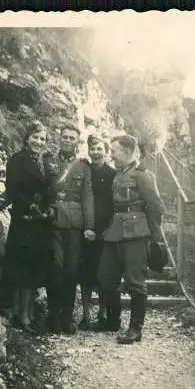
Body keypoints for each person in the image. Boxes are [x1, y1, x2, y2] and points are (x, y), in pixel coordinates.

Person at [98, 134, 166, 344]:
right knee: (105, 277)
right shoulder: (119, 174)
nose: (111, 155)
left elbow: (155, 207)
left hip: (136, 232)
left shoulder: (142, 175)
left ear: (127, 152)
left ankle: (136, 329)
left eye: (114, 151)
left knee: (135, 281)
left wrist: (155, 237)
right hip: (115, 231)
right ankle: (113, 320)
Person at [0, 120, 54, 333]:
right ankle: (21, 316)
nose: (39, 142)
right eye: (35, 137)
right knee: (22, 267)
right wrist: (27, 205)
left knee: (33, 268)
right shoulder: (17, 159)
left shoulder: (45, 163)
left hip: (41, 223)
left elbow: (49, 191)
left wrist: (48, 209)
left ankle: (28, 314)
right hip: (24, 220)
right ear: (27, 138)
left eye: (42, 139)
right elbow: (13, 188)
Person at [45, 123, 95, 334]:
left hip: (75, 224)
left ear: (77, 142)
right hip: (53, 221)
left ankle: (67, 318)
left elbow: (87, 197)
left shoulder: (83, 167)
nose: (67, 140)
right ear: (59, 138)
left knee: (71, 270)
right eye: (64, 136)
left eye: (71, 138)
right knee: (55, 268)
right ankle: (53, 316)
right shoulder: (48, 161)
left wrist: (90, 225)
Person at [78, 134, 117, 331]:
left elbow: (115, 203)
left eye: (99, 148)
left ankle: (102, 313)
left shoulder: (112, 174)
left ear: (106, 152)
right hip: (85, 229)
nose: (96, 152)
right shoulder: (84, 170)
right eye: (92, 148)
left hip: (105, 230)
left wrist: (108, 228)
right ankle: (85, 315)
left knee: (103, 274)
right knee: (85, 274)